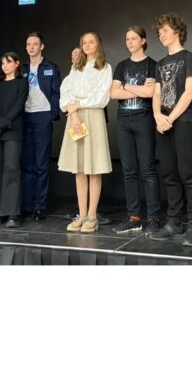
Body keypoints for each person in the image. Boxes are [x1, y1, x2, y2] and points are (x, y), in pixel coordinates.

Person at [150, 13, 192, 247]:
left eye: (164, 30)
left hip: (183, 122)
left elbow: (190, 92)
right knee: (169, 173)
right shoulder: (160, 64)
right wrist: (157, 116)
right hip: (163, 123)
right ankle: (174, 222)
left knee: (188, 173)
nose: (161, 34)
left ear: (177, 32)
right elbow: (156, 93)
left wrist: (170, 118)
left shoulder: (190, 58)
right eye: (159, 32)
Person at [58, 32, 112, 233]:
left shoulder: (104, 67)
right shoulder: (75, 68)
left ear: (98, 44)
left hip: (93, 116)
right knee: (79, 168)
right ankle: (81, 214)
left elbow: (101, 96)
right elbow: (66, 91)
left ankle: (92, 215)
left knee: (94, 167)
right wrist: (73, 113)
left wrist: (79, 104)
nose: (87, 45)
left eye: (91, 42)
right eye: (84, 43)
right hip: (75, 116)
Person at [110, 26, 161, 235]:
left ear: (143, 40)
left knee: (148, 169)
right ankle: (134, 218)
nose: (130, 42)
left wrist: (125, 86)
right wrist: (139, 89)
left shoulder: (153, 65)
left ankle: (154, 218)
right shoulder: (122, 65)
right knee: (128, 170)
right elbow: (113, 93)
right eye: (127, 39)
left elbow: (151, 93)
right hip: (124, 121)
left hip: (144, 120)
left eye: (133, 38)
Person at [21, 32, 61, 221]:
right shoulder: (22, 68)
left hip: (43, 116)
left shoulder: (51, 67)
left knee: (41, 163)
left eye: (35, 44)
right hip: (25, 117)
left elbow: (56, 92)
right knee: (26, 163)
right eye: (28, 44)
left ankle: (39, 206)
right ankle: (26, 205)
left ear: (42, 46)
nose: (31, 47)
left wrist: (52, 114)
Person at [0, 52, 28, 228]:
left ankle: (12, 213)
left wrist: (2, 125)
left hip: (12, 131)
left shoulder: (22, 83)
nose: (5, 66)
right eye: (3, 63)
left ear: (16, 64)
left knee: (12, 169)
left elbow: (18, 107)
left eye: (8, 62)